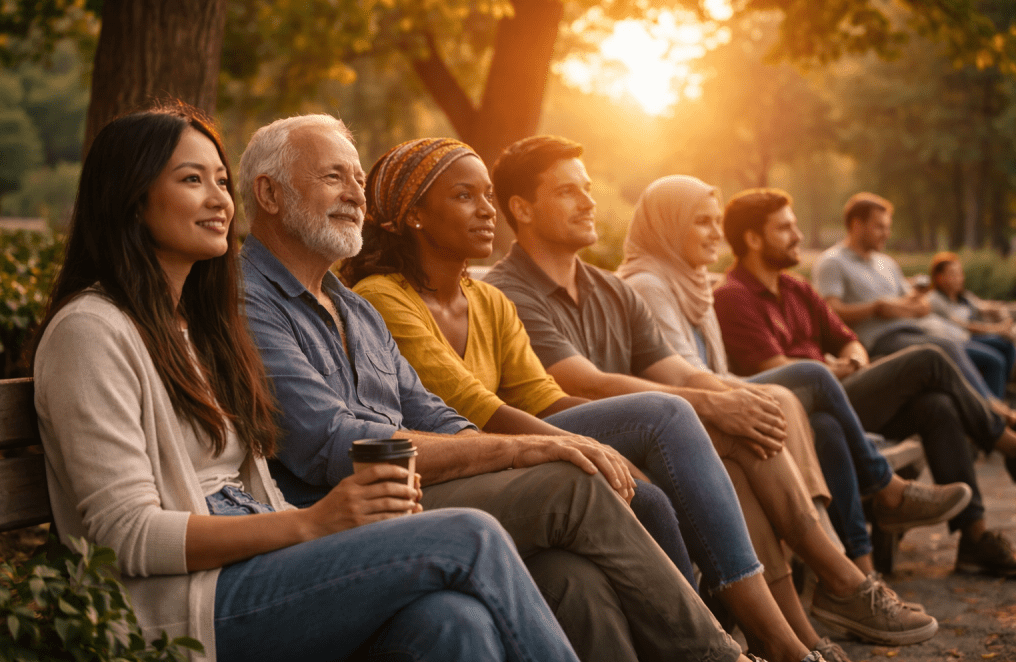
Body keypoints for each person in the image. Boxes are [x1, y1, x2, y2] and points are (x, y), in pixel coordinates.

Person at [30, 106, 583, 662]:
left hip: (250, 565)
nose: (221, 198)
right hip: (175, 604)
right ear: (130, 197)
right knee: (469, 534)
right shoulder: (91, 332)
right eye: (192, 180)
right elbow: (124, 535)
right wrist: (312, 523)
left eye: (221, 180)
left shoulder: (192, 327)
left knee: (449, 621)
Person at [237, 114, 760, 662]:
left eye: (358, 180)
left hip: (411, 492)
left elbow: (434, 412)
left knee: (571, 577)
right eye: (332, 178)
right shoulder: (248, 302)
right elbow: (332, 443)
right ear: (269, 194)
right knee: (571, 484)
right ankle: (720, 655)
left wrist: (512, 451)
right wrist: (517, 448)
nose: (354, 195)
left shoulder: (354, 308)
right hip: (347, 511)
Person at [343, 137, 833, 662]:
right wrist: (584, 446)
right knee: (664, 415)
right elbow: (472, 406)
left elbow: (541, 396)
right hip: (459, 465)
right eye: (465, 196)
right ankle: (758, 639)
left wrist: (594, 443)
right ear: (413, 214)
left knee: (652, 494)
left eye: (487, 194)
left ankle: (747, 629)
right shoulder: (382, 298)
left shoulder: (489, 300)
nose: (488, 210)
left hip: (511, 452)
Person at [484, 134, 939, 648]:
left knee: (745, 431)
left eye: (588, 188)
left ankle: (804, 639)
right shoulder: (509, 291)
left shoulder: (611, 288)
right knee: (723, 419)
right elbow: (581, 381)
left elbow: (676, 370)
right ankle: (838, 591)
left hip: (652, 444)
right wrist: (711, 403)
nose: (590, 201)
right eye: (569, 191)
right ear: (521, 208)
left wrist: (727, 397)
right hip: (574, 449)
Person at [616, 175, 971, 578]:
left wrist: (849, 360)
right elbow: (687, 374)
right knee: (892, 364)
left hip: (766, 399)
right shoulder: (653, 285)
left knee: (839, 421)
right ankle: (882, 502)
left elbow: (841, 339)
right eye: (702, 221)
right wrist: (796, 379)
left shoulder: (695, 282)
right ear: (668, 224)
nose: (716, 233)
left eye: (717, 221)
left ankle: (858, 572)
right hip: (690, 413)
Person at [711, 187, 1016, 578]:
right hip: (803, 405)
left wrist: (853, 359)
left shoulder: (796, 288)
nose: (799, 236)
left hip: (843, 394)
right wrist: (831, 369)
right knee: (929, 357)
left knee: (936, 405)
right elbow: (777, 370)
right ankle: (1001, 439)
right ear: (753, 239)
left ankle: (974, 539)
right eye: (786, 228)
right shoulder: (733, 297)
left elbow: (846, 338)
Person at [811, 192, 1015, 415]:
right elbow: (829, 311)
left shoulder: (886, 263)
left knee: (979, 353)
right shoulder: (832, 262)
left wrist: (908, 306)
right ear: (857, 225)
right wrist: (876, 308)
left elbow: (921, 303)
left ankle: (990, 411)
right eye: (879, 227)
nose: (887, 234)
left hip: (914, 331)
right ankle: (993, 412)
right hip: (877, 342)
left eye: (887, 227)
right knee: (945, 348)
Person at [928, 252, 1016, 398]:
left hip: (970, 338)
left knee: (1007, 345)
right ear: (939, 277)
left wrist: (1003, 312)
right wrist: (997, 329)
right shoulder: (935, 300)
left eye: (960, 273)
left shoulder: (964, 297)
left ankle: (1000, 390)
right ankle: (993, 408)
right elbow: (964, 326)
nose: (959, 278)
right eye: (953, 274)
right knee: (995, 360)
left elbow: (984, 306)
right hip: (956, 342)